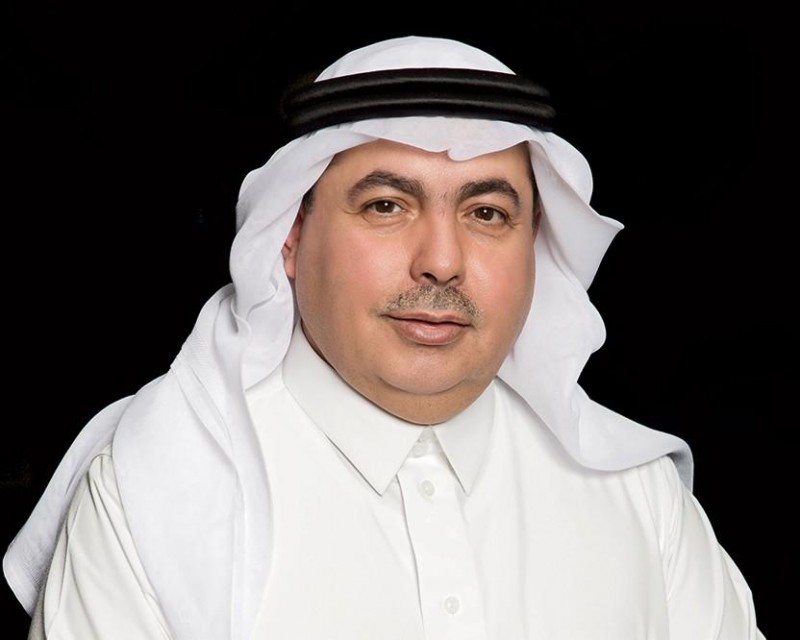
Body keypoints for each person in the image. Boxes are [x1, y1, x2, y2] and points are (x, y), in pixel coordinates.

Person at [3, 35, 765, 640]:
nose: (442, 259)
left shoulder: (640, 501)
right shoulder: (151, 490)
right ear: (289, 237)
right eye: (386, 206)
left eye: (487, 214)